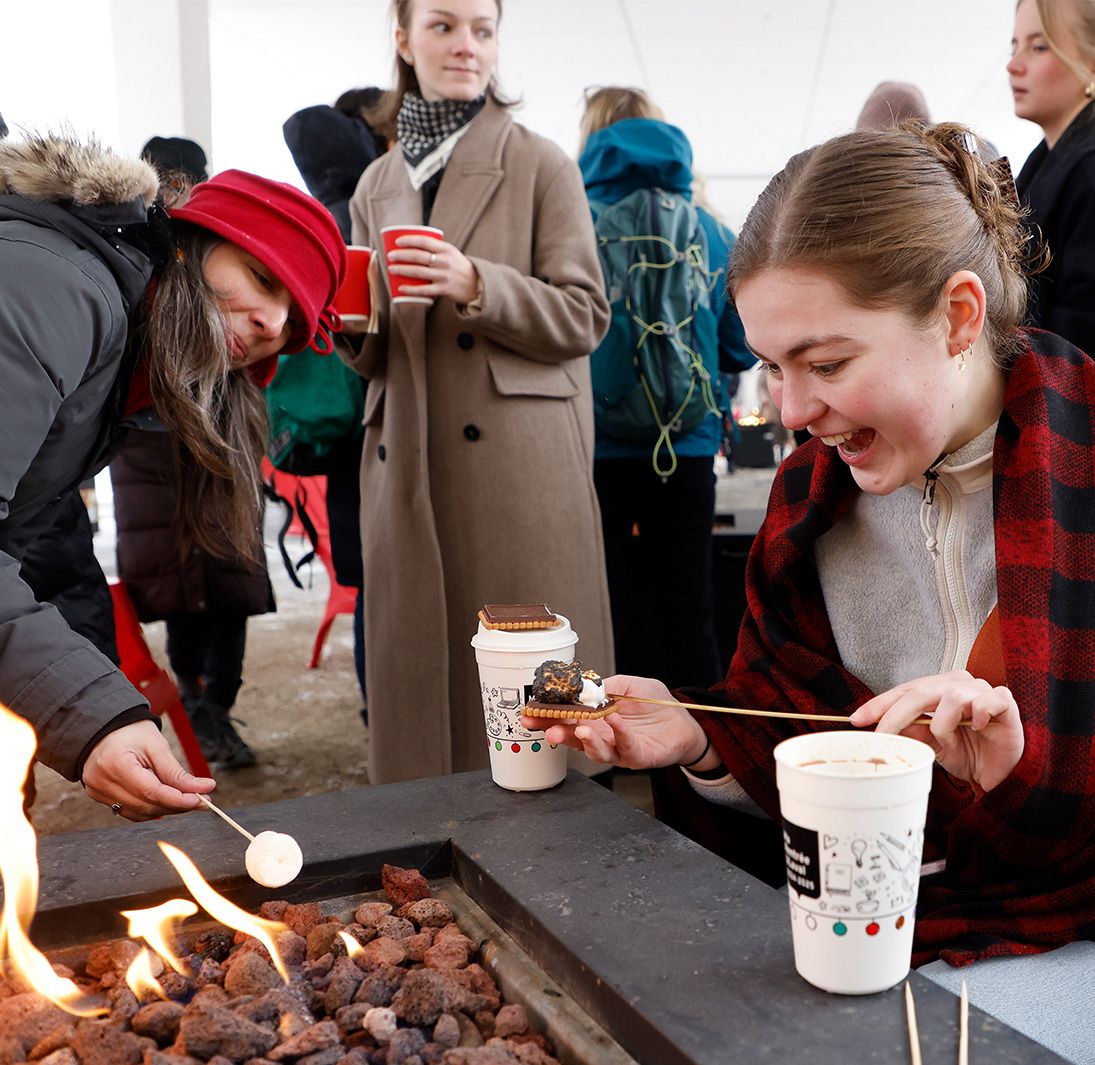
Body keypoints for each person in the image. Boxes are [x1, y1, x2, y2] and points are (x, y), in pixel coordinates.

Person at [527, 121, 1095, 1061]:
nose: (792, 412)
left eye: (826, 364)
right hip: (859, 950)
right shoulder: (804, 504)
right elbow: (791, 732)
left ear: (958, 317)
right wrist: (702, 736)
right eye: (771, 367)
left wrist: (1011, 774)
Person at [0, 132, 345, 819]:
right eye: (264, 278)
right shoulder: (55, 287)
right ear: (190, 242)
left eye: (293, 323)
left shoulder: (131, 361)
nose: (272, 322)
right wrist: (87, 710)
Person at [343, 0, 612, 784]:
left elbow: (585, 314)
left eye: (482, 29)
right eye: (443, 25)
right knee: (420, 676)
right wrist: (350, 323)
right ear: (403, 40)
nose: (466, 45)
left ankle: (564, 821)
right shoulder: (376, 181)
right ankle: (428, 818)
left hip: (518, 474)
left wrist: (475, 283)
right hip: (406, 457)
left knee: (541, 686)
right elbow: (375, 351)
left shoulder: (541, 163)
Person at [577, 86, 754, 691]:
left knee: (605, 603)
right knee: (689, 606)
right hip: (688, 447)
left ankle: (605, 730)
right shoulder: (710, 229)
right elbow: (739, 347)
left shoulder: (573, 226)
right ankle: (702, 736)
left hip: (597, 448)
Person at [284, 88, 392, 723]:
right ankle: (394, 717)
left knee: (370, 589)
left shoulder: (311, 221)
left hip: (336, 439)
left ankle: (378, 715)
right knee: (395, 588)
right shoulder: (370, 218)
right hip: (378, 424)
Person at [1009, 0, 1095, 357]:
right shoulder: (1048, 159)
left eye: (1039, 47)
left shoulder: (1088, 171)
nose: (1013, 65)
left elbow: (1082, 336)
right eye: (1014, 46)